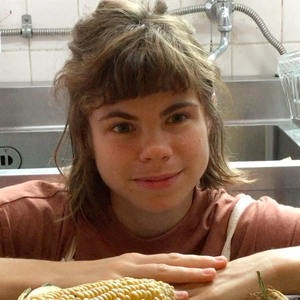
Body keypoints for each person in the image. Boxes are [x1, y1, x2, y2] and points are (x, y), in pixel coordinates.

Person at [1, 0, 300, 299]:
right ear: (87, 137)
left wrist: (269, 266)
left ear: (208, 120)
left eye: (177, 118)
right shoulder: (35, 223)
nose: (156, 150)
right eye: (122, 127)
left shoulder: (248, 231)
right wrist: (76, 275)